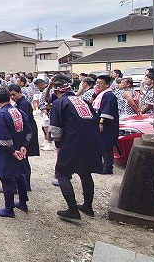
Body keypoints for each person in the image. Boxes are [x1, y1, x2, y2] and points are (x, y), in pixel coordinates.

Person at [48, 75, 103, 219]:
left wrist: (58, 146)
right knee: (85, 172)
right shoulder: (83, 100)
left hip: (73, 140)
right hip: (92, 139)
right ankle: (88, 207)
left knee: (62, 172)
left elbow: (55, 128)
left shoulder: (60, 102)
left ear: (55, 92)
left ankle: (72, 209)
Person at [0, 87, 31, 218]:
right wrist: (24, 146)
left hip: (7, 153)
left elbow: (3, 137)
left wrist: (13, 151)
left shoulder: (0, 115)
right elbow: (29, 131)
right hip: (20, 150)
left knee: (6, 179)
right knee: (19, 175)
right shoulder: (18, 111)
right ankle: (23, 202)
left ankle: (9, 208)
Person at [8, 84, 39, 191]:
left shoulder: (23, 104)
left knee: (23, 158)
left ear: (20, 93)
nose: (12, 97)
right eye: (10, 95)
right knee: (22, 159)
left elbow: (22, 121)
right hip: (25, 132)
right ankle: (22, 184)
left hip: (27, 133)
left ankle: (25, 185)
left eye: (14, 94)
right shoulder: (19, 103)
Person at [92, 75, 119, 175]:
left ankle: (108, 167)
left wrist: (101, 122)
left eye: (101, 83)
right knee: (102, 146)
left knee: (106, 146)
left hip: (107, 125)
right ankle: (103, 165)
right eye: (97, 82)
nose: (98, 85)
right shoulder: (101, 94)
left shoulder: (109, 95)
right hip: (101, 124)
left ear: (107, 84)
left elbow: (106, 111)